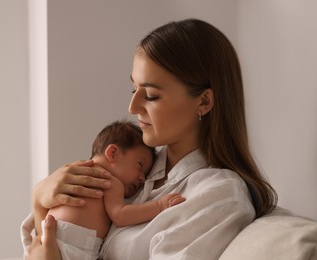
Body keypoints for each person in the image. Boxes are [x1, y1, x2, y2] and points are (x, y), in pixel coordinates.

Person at [21, 18, 278, 259]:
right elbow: (48, 240)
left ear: (204, 101)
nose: (132, 107)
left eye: (151, 95)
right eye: (134, 89)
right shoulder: (133, 168)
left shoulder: (217, 194)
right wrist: (38, 199)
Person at [34, 120, 185, 259]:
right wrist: (159, 206)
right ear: (113, 153)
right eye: (140, 165)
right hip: (69, 248)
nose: (142, 178)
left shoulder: (73, 171)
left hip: (52, 242)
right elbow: (121, 215)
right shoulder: (109, 181)